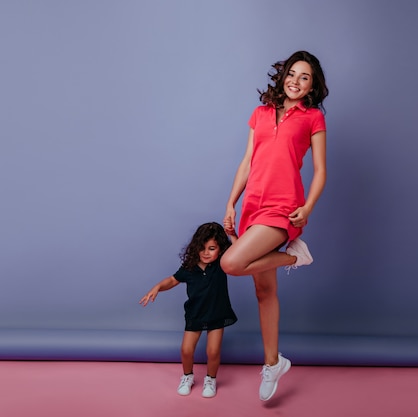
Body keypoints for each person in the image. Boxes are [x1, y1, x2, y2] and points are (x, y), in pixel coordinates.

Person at [220, 50, 328, 401]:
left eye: (305, 77)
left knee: (231, 263)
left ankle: (295, 257)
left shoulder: (312, 118)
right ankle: (273, 363)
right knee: (264, 293)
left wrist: (307, 207)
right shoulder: (261, 114)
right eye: (292, 74)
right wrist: (232, 202)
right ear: (282, 77)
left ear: (312, 86)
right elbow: (247, 161)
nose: (296, 81)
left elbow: (321, 170)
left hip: (284, 207)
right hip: (253, 205)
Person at [139, 222, 238, 398]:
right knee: (186, 350)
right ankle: (187, 376)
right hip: (195, 314)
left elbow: (238, 251)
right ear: (195, 247)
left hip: (217, 313)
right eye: (202, 248)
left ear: (221, 249)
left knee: (213, 351)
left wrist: (231, 232)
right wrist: (157, 287)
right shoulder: (189, 268)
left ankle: (211, 379)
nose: (206, 253)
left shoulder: (222, 265)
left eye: (212, 248)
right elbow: (172, 280)